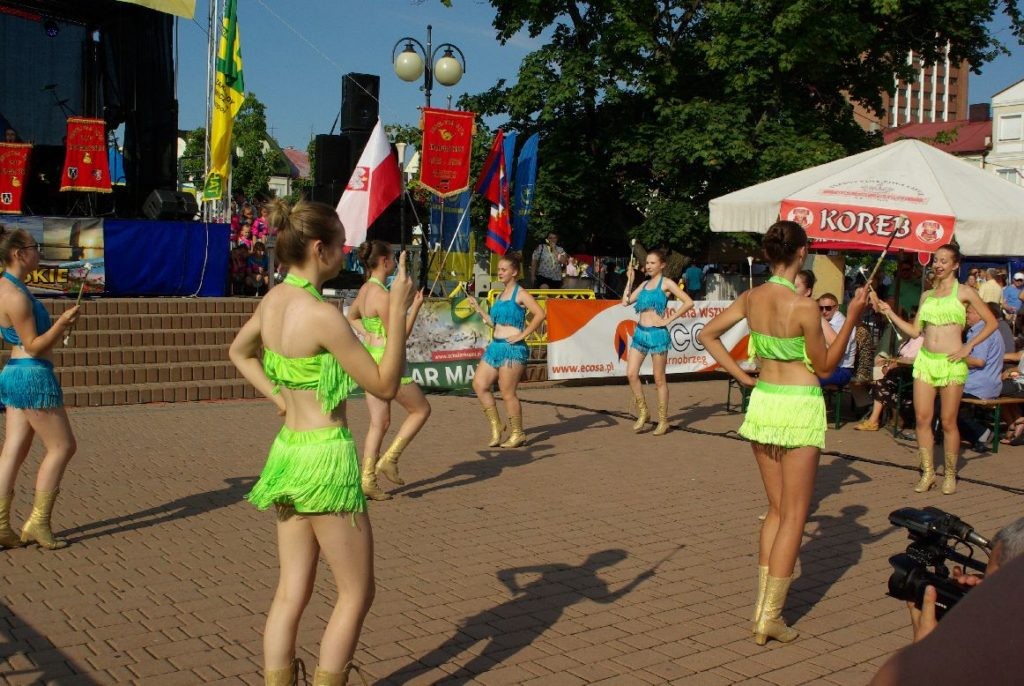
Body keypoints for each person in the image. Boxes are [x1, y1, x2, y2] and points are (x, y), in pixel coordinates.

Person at [228, 199, 413, 685]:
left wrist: (280, 398)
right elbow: (385, 385)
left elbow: (239, 352)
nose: (345, 251)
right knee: (356, 593)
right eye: (340, 244)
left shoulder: (273, 301)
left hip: (289, 451)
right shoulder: (322, 315)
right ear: (318, 248)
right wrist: (397, 311)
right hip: (326, 456)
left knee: (291, 591)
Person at [699, 220, 866, 646]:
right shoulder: (804, 307)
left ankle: (762, 610)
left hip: (765, 400)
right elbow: (825, 366)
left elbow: (707, 334)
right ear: (802, 252)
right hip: (798, 403)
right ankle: (769, 617)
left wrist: (742, 376)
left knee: (775, 510)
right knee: (793, 515)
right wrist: (852, 318)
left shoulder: (752, 297)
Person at [870, 244, 998, 495]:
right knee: (922, 418)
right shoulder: (927, 295)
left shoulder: (965, 292)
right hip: (926, 361)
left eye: (943, 261)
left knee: (948, 421)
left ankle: (949, 473)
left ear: (955, 265)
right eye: (935, 260)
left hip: (951, 363)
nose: (937, 265)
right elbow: (915, 331)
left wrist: (969, 346)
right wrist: (890, 313)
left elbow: (992, 322)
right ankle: (928, 472)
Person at [0, 229, 80, 550]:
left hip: (17, 372)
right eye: (34, 247)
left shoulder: (10, 288)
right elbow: (33, 345)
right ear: (19, 253)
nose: (38, 252)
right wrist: (60, 325)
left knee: (14, 449)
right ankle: (38, 521)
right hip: (31, 375)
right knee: (62, 447)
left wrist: (59, 327)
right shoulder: (15, 295)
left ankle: (1, 524)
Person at [346, 240, 430, 502]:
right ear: (384, 262)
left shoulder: (365, 290)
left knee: (379, 423)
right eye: (393, 258)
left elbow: (352, 317)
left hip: (371, 357)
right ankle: (390, 459)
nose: (394, 262)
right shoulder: (382, 296)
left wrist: (368, 334)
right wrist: (415, 308)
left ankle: (367, 479)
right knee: (421, 410)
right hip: (388, 361)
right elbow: (399, 336)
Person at [468, 253, 546, 448]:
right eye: (499, 269)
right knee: (479, 384)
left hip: (512, 349)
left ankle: (518, 433)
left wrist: (523, 334)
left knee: (507, 392)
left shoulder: (521, 293)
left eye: (504, 269)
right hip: (495, 347)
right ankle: (497, 425)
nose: (500, 272)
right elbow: (495, 323)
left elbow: (540, 314)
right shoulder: (500, 294)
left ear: (514, 272)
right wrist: (478, 308)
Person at [622, 249, 695, 435]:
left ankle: (663, 420)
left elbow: (688, 302)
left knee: (659, 378)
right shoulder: (644, 284)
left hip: (657, 335)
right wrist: (630, 280)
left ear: (662, 265)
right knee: (631, 373)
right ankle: (643, 412)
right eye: (647, 263)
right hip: (640, 333)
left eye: (652, 263)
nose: (648, 266)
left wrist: (668, 320)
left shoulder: (667, 283)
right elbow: (626, 301)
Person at [955, 304, 1005, 452]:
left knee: (943, 404)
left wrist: (954, 356)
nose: (966, 315)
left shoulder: (981, 332)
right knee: (945, 403)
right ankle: (978, 436)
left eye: (969, 312)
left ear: (979, 314)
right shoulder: (986, 331)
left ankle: (980, 433)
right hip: (987, 383)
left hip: (978, 385)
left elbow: (978, 361)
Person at [854, 334, 924, 431]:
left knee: (879, 382)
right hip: (899, 373)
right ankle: (876, 416)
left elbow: (909, 360)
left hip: (908, 376)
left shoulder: (920, 339)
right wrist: (889, 363)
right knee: (877, 377)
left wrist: (891, 365)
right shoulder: (911, 338)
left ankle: (875, 418)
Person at [817, 293, 856, 387]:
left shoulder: (841, 324)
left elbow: (839, 352)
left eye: (828, 308)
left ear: (837, 307)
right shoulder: (828, 322)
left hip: (841, 370)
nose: (824, 311)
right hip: (831, 368)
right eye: (821, 308)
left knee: (807, 379)